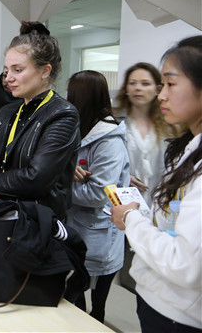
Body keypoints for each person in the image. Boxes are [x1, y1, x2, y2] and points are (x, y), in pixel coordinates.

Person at [110, 36, 202, 332]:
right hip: (158, 296)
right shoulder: (187, 145)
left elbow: (185, 263)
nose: (161, 95)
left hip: (178, 313)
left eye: (170, 84)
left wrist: (131, 218)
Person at [0, 21, 80, 220]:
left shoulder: (62, 114)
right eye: (7, 70)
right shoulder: (7, 111)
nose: (8, 78)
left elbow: (37, 178)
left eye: (18, 70)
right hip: (2, 215)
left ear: (45, 71)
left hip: (37, 222)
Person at [65, 70, 129, 323]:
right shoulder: (80, 128)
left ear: (82, 98)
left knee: (95, 300)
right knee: (77, 295)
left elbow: (97, 193)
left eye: (71, 95)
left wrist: (59, 187)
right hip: (78, 225)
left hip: (99, 228)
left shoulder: (108, 140)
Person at [115, 62, 178, 207]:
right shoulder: (115, 123)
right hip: (123, 203)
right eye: (132, 83)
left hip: (161, 201)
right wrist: (122, 176)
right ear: (126, 88)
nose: (138, 88)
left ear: (157, 89)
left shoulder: (171, 125)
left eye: (145, 83)